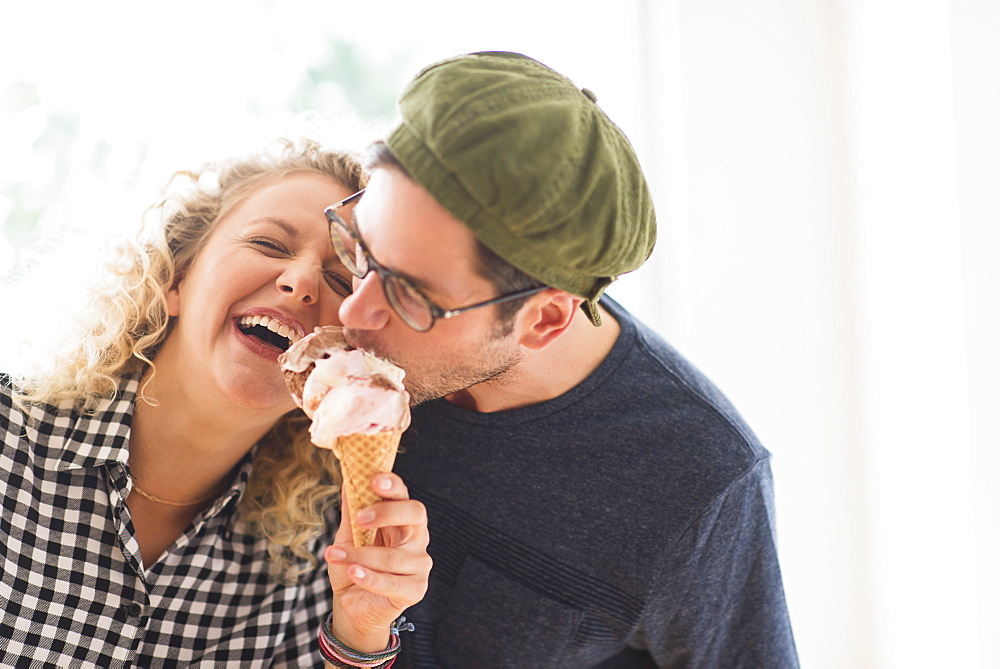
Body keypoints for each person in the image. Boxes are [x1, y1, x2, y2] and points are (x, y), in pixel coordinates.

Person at [327, 52, 799, 666]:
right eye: (361, 244)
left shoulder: (698, 479)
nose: (350, 312)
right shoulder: (340, 329)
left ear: (545, 319)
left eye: (410, 295)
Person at [0, 139, 431, 667]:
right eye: (269, 245)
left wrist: (360, 629)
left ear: (346, 359)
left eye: (342, 279)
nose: (300, 283)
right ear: (175, 279)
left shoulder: (320, 558)